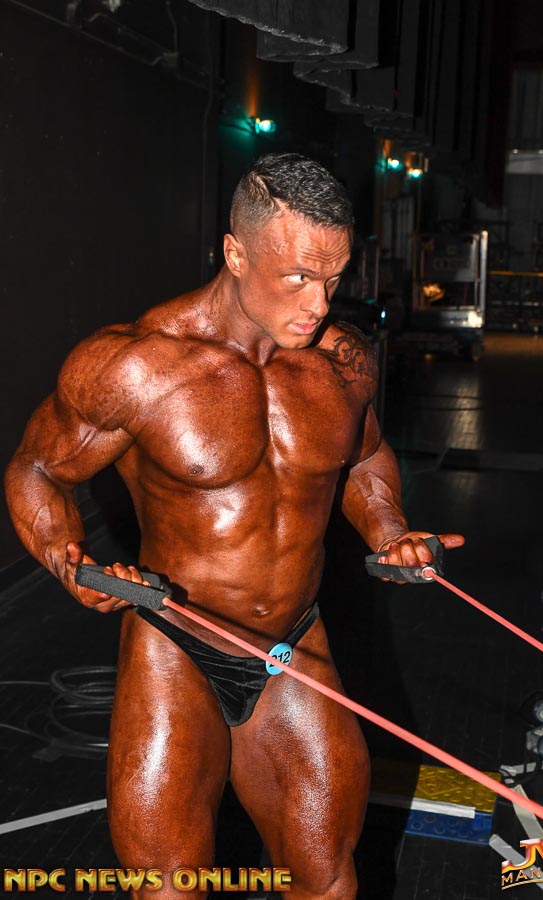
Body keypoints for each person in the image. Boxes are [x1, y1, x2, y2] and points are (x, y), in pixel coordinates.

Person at [5, 153, 464, 899]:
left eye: (332, 278)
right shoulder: (136, 366)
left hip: (292, 643)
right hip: (176, 644)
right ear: (235, 253)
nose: (318, 303)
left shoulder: (341, 360)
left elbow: (365, 456)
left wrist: (388, 529)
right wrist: (68, 561)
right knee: (169, 885)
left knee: (326, 879)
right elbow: (36, 469)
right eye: (297, 278)